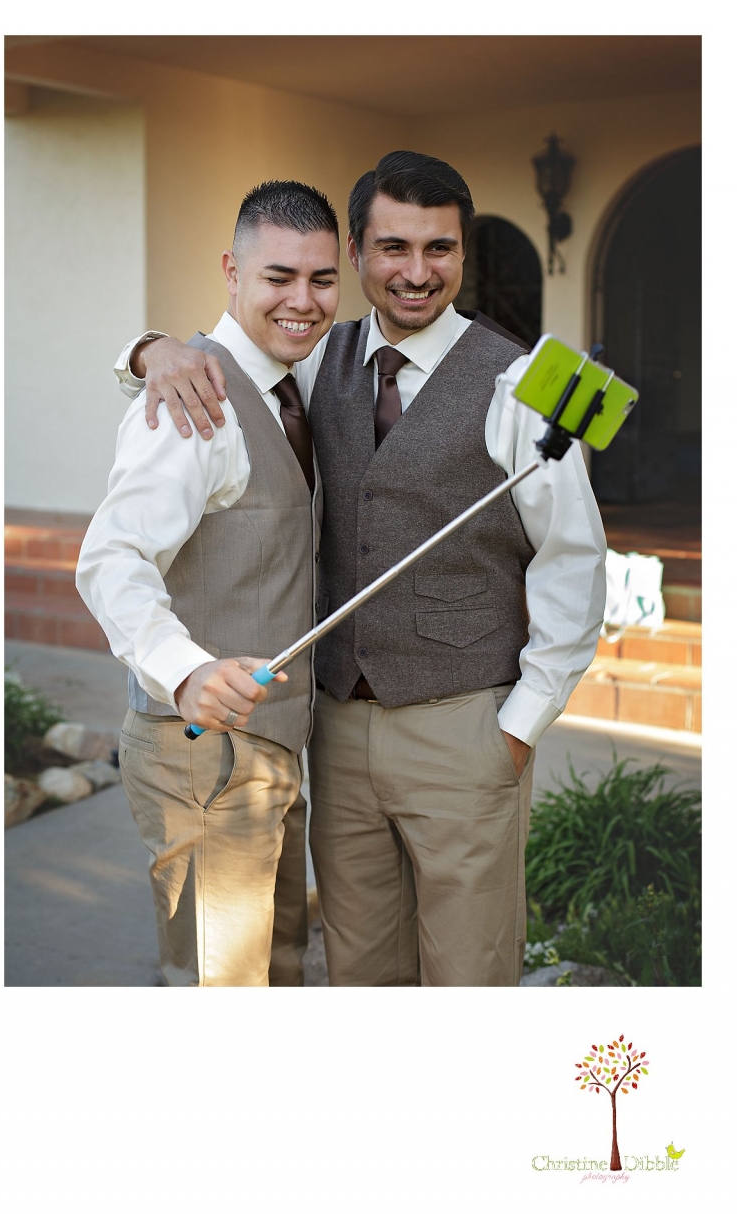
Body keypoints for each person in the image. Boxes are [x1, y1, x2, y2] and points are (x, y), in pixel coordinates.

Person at [116, 151, 607, 987]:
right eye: (393, 249)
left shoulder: (524, 382)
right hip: (336, 730)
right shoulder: (311, 357)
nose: (417, 274)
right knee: (358, 969)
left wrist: (522, 724)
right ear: (356, 254)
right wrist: (150, 349)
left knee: (469, 974)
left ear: (462, 253)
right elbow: (224, 357)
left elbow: (573, 560)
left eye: (440, 250)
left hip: (465, 724)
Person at [77, 180, 340, 986]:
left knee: (278, 966)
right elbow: (112, 558)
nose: (302, 300)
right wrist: (185, 669)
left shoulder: (299, 371)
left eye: (322, 279)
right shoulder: (192, 402)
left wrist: (143, 345)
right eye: (278, 277)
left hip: (267, 751)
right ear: (232, 270)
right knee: (216, 985)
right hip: (202, 751)